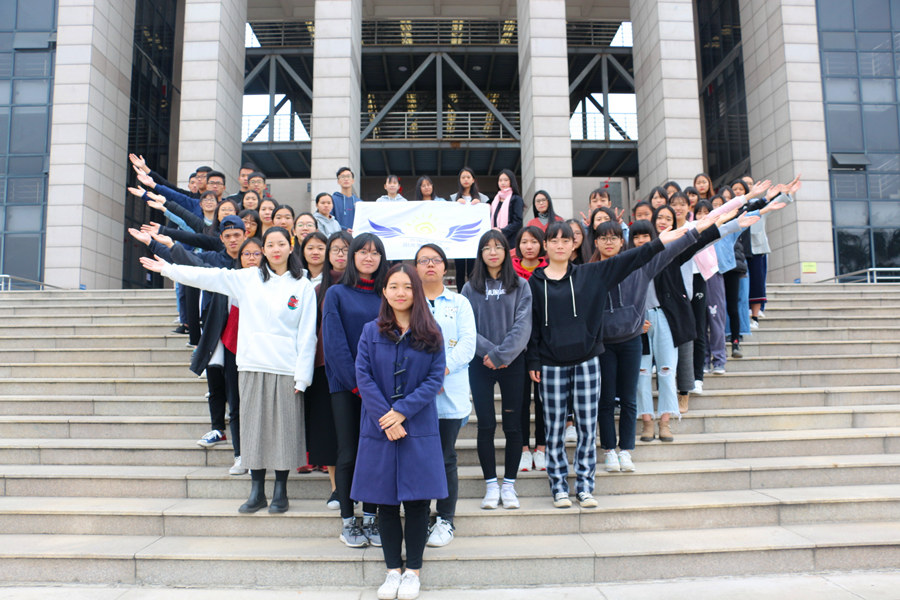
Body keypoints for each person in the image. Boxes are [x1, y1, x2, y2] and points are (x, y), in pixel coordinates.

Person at [139, 226, 317, 513]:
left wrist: (303, 377)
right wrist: (169, 269)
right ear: (263, 251)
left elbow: (308, 334)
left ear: (290, 247)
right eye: (270, 245)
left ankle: (281, 491)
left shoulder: (303, 286)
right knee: (253, 430)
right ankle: (257, 491)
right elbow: (208, 276)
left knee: (284, 430)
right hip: (252, 365)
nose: (275, 249)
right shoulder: (248, 279)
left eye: (281, 244)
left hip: (286, 368)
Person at [526, 221, 688, 508]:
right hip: (551, 365)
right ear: (546, 246)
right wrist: (534, 360)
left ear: (574, 245)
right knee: (554, 430)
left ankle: (585, 487)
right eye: (554, 240)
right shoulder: (534, 283)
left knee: (588, 428)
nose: (560, 245)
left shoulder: (589, 274)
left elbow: (631, 258)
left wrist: (662, 241)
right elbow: (534, 326)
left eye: (566, 240)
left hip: (587, 360)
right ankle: (559, 487)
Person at [592, 216, 716, 472]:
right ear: (596, 242)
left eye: (614, 237)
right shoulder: (590, 271)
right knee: (606, 399)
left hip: (631, 340)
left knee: (629, 398)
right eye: (603, 238)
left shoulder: (637, 267)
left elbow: (675, 249)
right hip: (604, 344)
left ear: (621, 241)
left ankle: (626, 450)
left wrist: (704, 225)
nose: (609, 242)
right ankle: (609, 450)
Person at [353, 264, 446, 600]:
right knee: (386, 503)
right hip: (379, 427)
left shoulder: (431, 332)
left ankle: (413, 572)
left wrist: (402, 412)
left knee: (419, 502)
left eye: (407, 286)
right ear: (384, 291)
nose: (400, 292)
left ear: (416, 291)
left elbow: (435, 378)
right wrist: (387, 417)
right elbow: (363, 375)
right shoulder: (370, 331)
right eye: (394, 286)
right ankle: (393, 570)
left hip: (417, 425)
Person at [322, 233, 388, 547]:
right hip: (346, 387)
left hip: (381, 388)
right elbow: (334, 345)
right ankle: (349, 520)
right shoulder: (336, 293)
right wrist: (358, 385)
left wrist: (376, 388)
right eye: (362, 251)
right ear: (352, 256)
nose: (368, 257)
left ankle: (372, 517)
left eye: (375, 253)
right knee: (348, 453)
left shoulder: (387, 294)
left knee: (374, 453)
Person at [461, 230, 532, 510]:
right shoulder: (470, 288)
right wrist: (490, 354)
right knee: (486, 425)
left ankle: (509, 485)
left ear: (506, 251)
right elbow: (467, 328)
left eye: (498, 247)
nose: (493, 252)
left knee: (513, 426)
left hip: (513, 363)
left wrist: (502, 354)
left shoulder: (521, 286)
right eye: (487, 248)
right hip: (481, 364)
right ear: (480, 253)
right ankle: (491, 485)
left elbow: (523, 326)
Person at [414, 244, 476, 548]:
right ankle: (420, 515)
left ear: (444, 265)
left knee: (446, 456)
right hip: (416, 396)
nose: (430, 265)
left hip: (450, 393)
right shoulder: (409, 300)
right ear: (415, 267)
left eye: (435, 260)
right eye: (423, 260)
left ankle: (445, 518)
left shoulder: (460, 302)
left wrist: (440, 371)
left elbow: (467, 343)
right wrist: (424, 377)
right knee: (419, 458)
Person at [510, 226, 548, 472]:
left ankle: (541, 448)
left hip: (545, 345)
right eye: (524, 242)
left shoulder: (549, 271)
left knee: (543, 400)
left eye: (534, 241)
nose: (529, 246)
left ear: (542, 244)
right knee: (521, 401)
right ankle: (524, 449)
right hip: (518, 346)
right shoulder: (510, 272)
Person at [450, 166, 490, 290]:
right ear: (459, 180)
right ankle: (461, 294)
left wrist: (480, 206)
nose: (466, 180)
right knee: (460, 269)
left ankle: (474, 292)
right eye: (463, 177)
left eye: (468, 177)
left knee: (474, 269)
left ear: (473, 180)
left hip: (475, 239)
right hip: (459, 239)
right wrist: (455, 205)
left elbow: (488, 216)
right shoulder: (453, 198)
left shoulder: (483, 198)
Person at [489, 169, 524, 249]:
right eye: (500, 180)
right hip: (496, 240)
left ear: (511, 181)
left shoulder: (516, 199)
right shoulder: (495, 201)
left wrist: (502, 231)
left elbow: (518, 222)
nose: (502, 183)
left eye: (506, 180)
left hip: (511, 242)